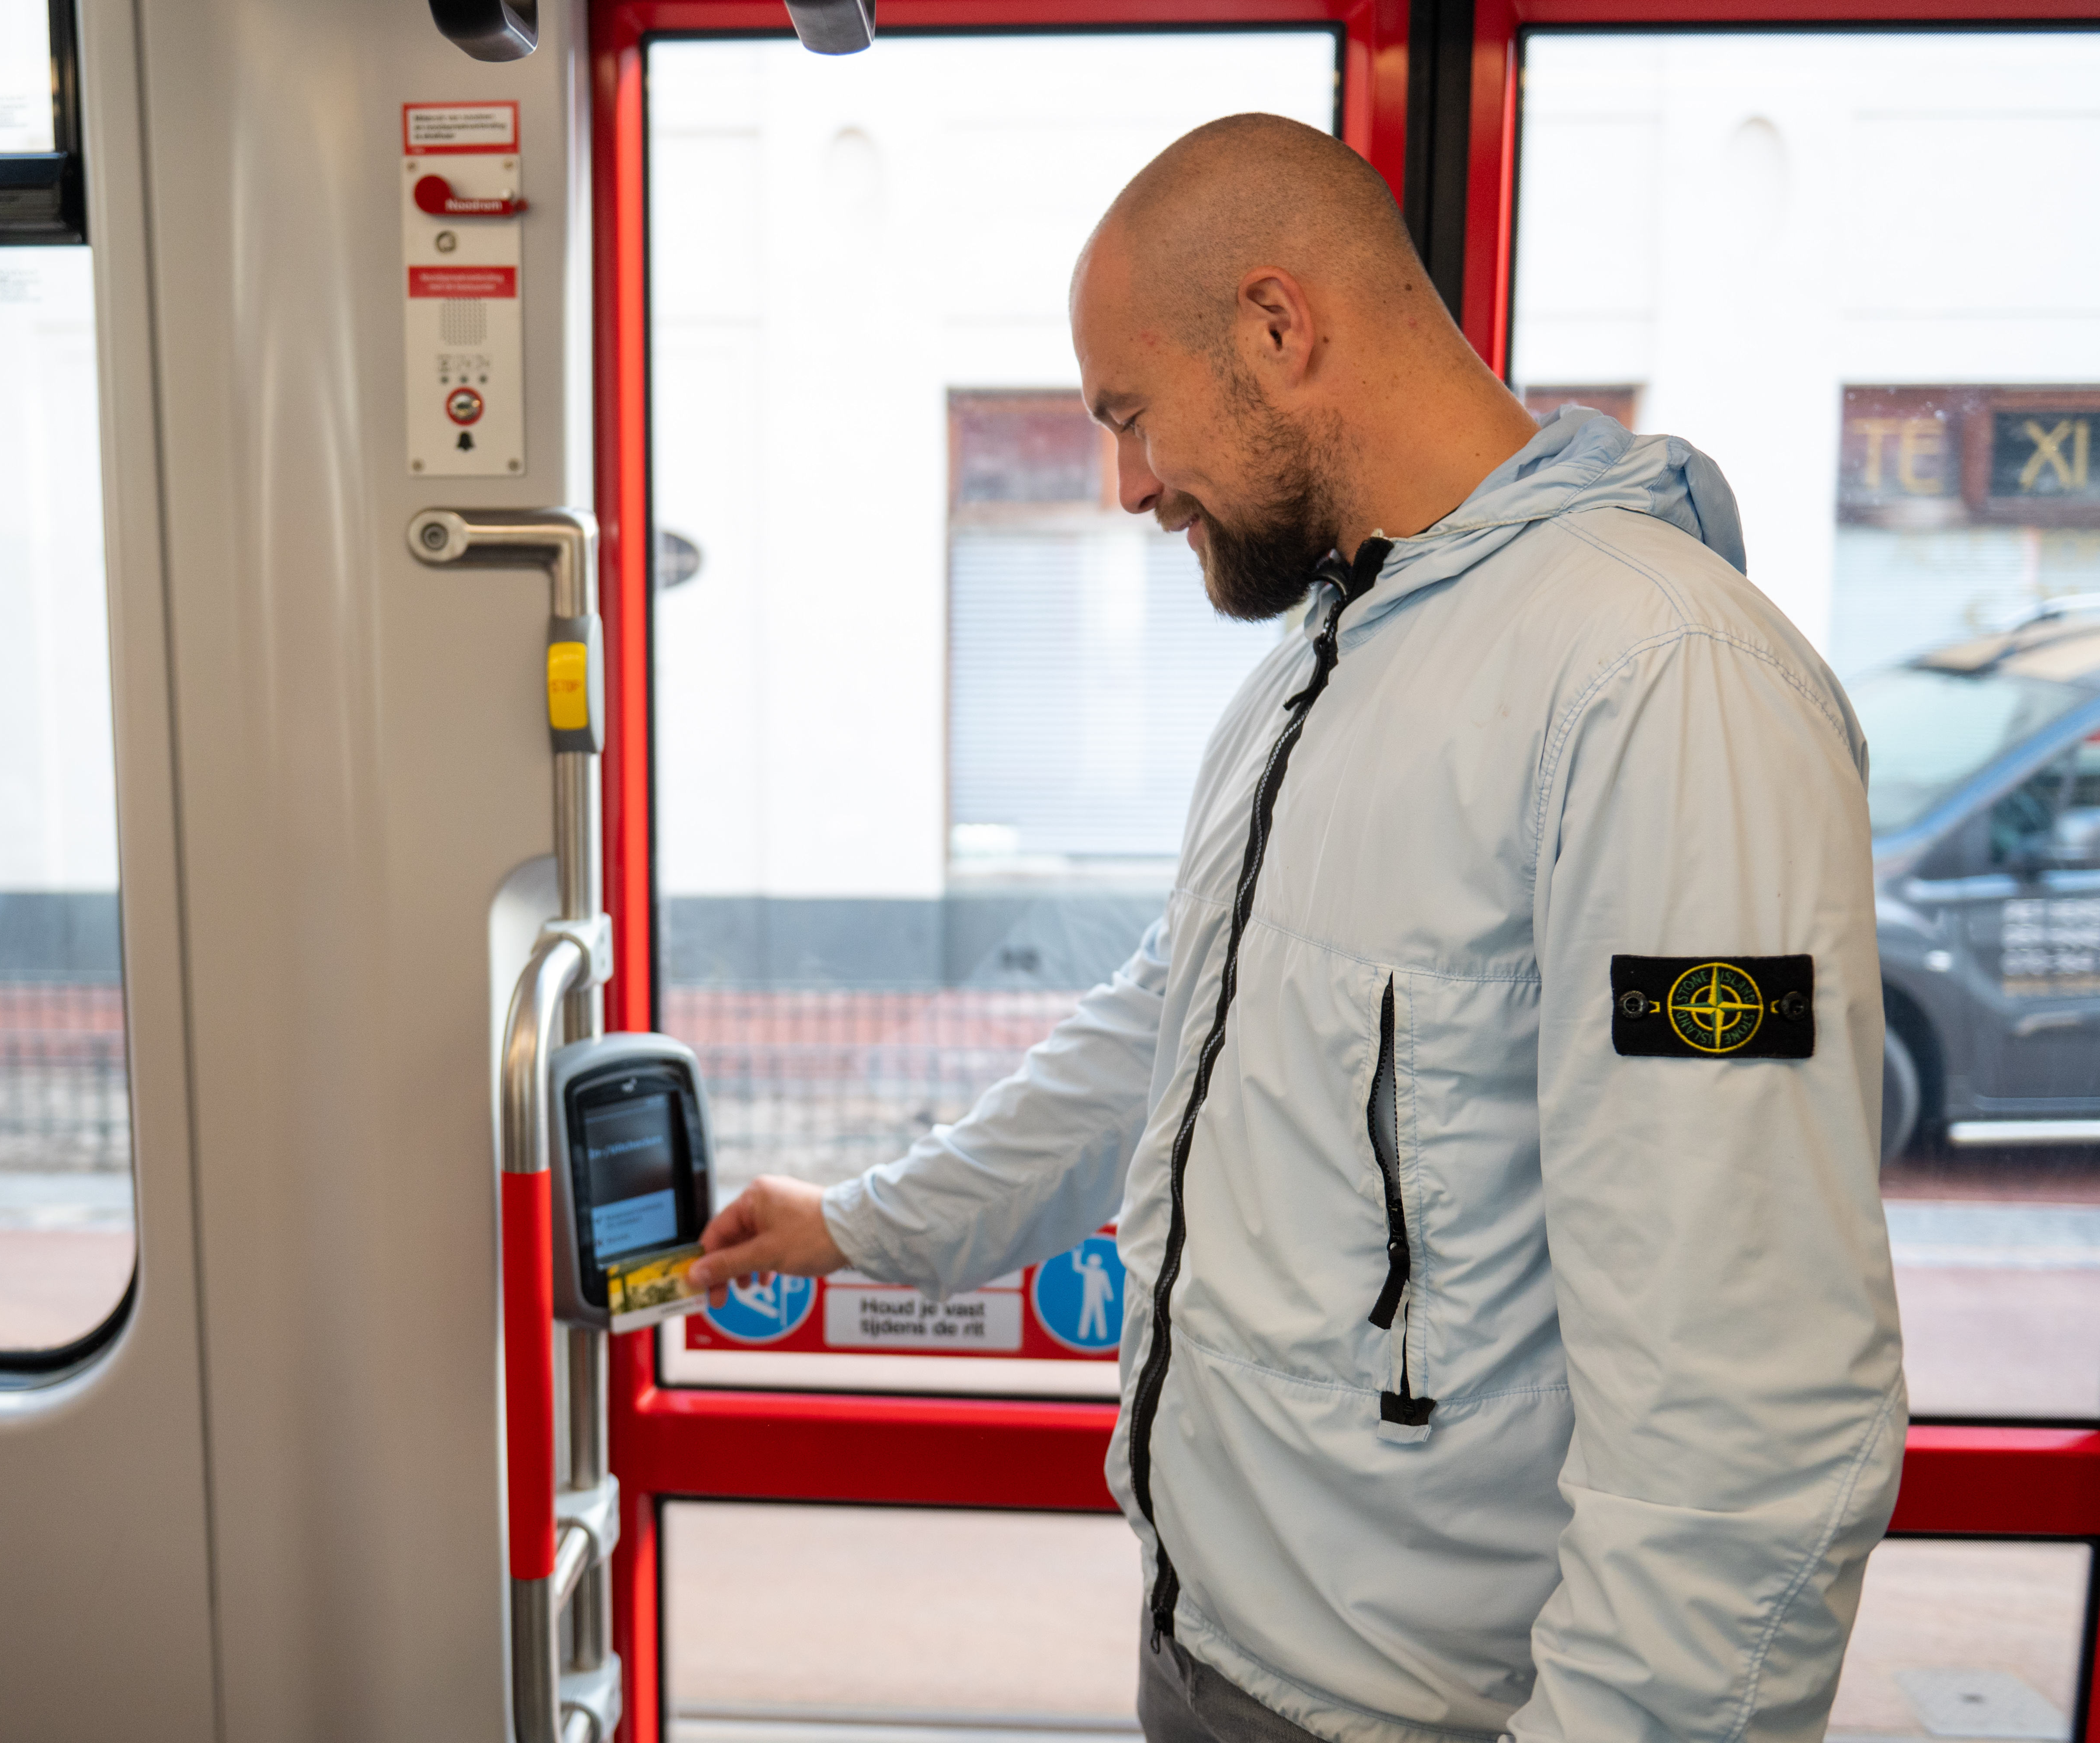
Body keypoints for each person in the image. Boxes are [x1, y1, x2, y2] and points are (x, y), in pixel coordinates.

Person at [686, 113, 1904, 1743]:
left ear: (1275, 326)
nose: (1128, 485)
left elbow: (1746, 1415)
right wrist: (859, 1224)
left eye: (1130, 414)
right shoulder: (1313, 676)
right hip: (1206, 1653)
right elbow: (1154, 1041)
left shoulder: (1661, 681)